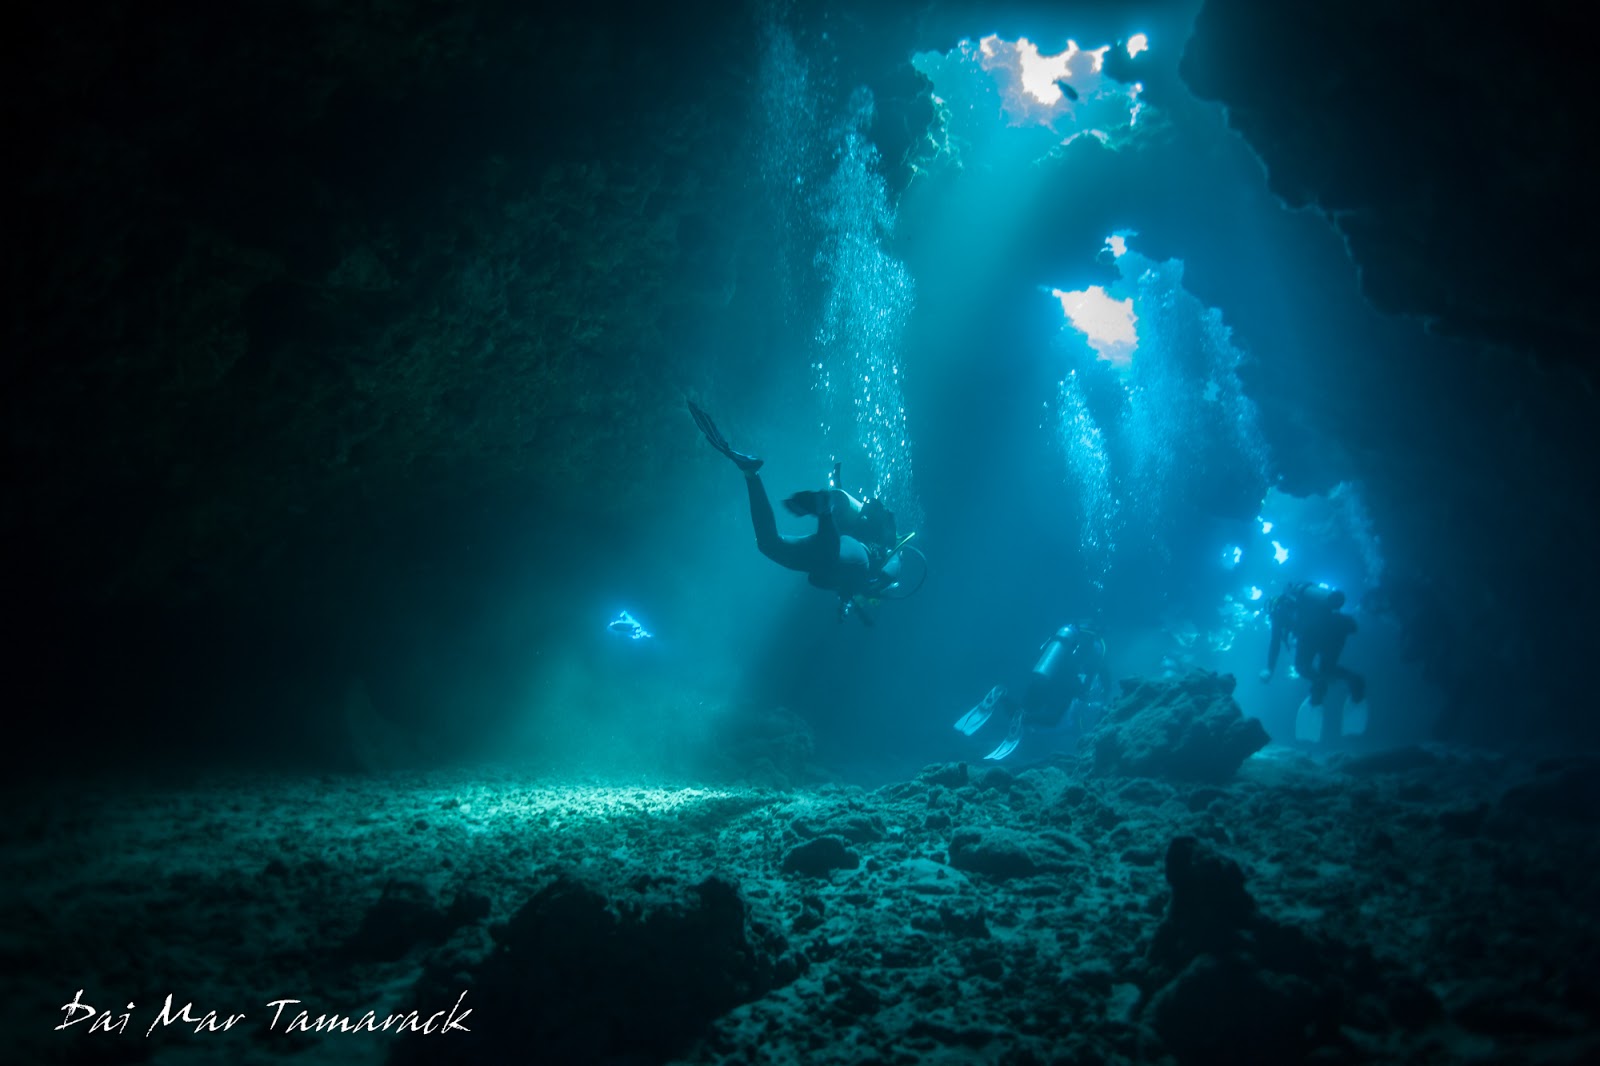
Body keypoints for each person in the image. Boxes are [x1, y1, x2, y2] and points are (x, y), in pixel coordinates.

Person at [688, 401, 903, 620]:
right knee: (830, 555)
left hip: (838, 554)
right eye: (876, 602)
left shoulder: (853, 589)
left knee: (768, 544)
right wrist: (877, 588)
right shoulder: (891, 558)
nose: (873, 602)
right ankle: (824, 509)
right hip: (858, 555)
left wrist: (847, 603)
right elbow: (888, 571)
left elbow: (826, 581)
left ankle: (751, 474)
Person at [955, 623, 1111, 760]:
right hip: (1066, 682)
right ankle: (1023, 718)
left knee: (1024, 708)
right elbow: (1091, 674)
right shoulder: (1097, 645)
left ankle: (1001, 694)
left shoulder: (1069, 633)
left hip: (1044, 673)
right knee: (1051, 719)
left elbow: (1042, 649)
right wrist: (1083, 692)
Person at [1260, 582, 1368, 741]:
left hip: (1312, 633)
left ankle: (1318, 689)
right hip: (1337, 627)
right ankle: (1356, 683)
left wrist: (1269, 669)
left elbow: (1275, 642)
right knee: (1329, 669)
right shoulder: (1302, 599)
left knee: (1302, 667)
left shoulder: (1278, 610)